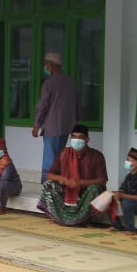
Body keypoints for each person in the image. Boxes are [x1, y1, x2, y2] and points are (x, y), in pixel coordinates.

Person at [36, 124, 108, 226]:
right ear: (70, 138)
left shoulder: (97, 156)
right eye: (74, 137)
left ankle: (85, 219)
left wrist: (80, 183)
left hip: (86, 193)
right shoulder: (64, 153)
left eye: (80, 137)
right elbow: (49, 175)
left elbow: (102, 181)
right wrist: (60, 178)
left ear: (87, 140)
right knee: (48, 184)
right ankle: (59, 216)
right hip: (67, 191)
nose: (76, 140)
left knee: (95, 189)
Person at [32, 52, 78, 183]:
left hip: (52, 127)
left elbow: (43, 105)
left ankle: (48, 185)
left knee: (50, 159)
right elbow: (77, 104)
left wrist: (36, 125)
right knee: (60, 157)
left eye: (46, 65)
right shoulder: (70, 82)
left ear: (51, 65)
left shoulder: (49, 83)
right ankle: (58, 183)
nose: (45, 67)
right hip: (66, 127)